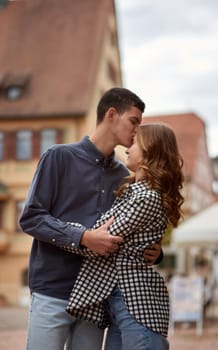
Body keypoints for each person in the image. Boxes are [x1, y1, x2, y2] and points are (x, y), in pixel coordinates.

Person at [19, 87, 163, 350]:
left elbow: (132, 229)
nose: (137, 131)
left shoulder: (125, 176)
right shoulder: (58, 157)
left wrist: (156, 252)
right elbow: (31, 218)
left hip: (97, 299)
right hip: (52, 291)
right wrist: (83, 238)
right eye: (134, 122)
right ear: (111, 114)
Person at [64, 123, 184, 350]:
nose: (128, 148)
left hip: (137, 306)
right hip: (123, 304)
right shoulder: (134, 194)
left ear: (151, 150)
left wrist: (62, 231)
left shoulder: (145, 198)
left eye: (136, 143)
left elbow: (100, 241)